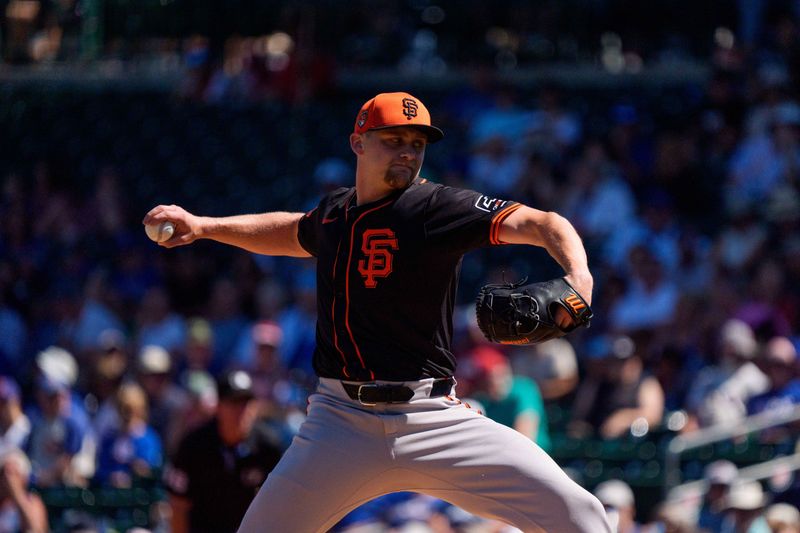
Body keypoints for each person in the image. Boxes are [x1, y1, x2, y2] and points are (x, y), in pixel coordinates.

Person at [145, 91, 609, 532]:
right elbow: (291, 232)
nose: (408, 152)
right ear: (358, 142)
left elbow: (542, 222)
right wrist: (204, 226)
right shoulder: (334, 213)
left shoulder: (436, 207)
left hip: (432, 418)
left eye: (417, 143)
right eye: (394, 140)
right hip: (339, 424)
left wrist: (579, 278)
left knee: (580, 514)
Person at [164, 369, 283, 533]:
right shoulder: (194, 445)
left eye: (246, 402)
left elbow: (279, 504)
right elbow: (178, 504)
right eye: (234, 402)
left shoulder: (267, 446)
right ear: (218, 406)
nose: (242, 410)